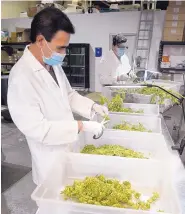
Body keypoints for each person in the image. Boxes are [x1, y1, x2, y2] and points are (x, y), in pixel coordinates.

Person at [7, 7, 108, 185]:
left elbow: (68, 95)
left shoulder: (52, 64)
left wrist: (92, 107)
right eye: (60, 48)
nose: (63, 54)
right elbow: (38, 129)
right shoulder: (21, 77)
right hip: (49, 159)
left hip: (68, 149)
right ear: (40, 41)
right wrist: (81, 126)